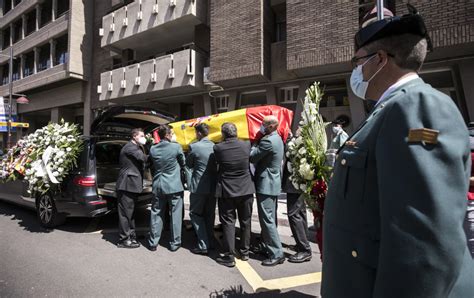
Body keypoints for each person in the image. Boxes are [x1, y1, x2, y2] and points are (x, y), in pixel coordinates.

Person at [321, 6, 473, 298]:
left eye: (358, 61)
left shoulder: (416, 107)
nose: (355, 69)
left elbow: (423, 246)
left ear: (379, 60)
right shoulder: (389, 110)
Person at [214, 122, 255, 267]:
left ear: (223, 133)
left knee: (228, 223)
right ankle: (245, 252)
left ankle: (229, 256)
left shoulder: (218, 147)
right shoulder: (247, 145)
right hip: (246, 189)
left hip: (227, 191)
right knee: (246, 222)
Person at [250, 116, 285, 266]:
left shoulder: (267, 141)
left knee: (267, 220)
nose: (261, 126)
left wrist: (254, 142)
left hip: (266, 184)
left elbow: (252, 157)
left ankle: (277, 253)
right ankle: (267, 246)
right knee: (269, 218)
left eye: (263, 124)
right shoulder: (277, 138)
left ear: (271, 126)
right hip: (273, 182)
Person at [147, 125, 186, 252]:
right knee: (175, 214)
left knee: (156, 213)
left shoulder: (153, 149)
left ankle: (153, 242)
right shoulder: (176, 147)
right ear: (168, 135)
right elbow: (183, 163)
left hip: (158, 185)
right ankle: (175, 243)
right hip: (174, 185)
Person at [186, 123, 217, 255]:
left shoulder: (194, 147)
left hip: (199, 186)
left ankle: (203, 243)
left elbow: (188, 165)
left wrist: (189, 183)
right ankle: (210, 240)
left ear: (198, 133)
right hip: (213, 186)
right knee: (210, 214)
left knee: (195, 213)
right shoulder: (215, 146)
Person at [282, 132, 312, 263]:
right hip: (298, 185)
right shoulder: (303, 142)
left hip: (295, 185)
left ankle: (304, 250)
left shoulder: (301, 144)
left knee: (294, 215)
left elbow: (292, 155)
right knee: (300, 213)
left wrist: (289, 139)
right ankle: (302, 243)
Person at [116, 128, 147, 248]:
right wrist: (158, 150)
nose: (144, 138)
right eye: (142, 136)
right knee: (125, 213)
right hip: (126, 185)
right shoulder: (130, 147)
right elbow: (142, 158)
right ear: (134, 136)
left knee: (131, 212)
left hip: (131, 185)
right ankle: (123, 239)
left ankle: (132, 235)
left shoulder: (137, 147)